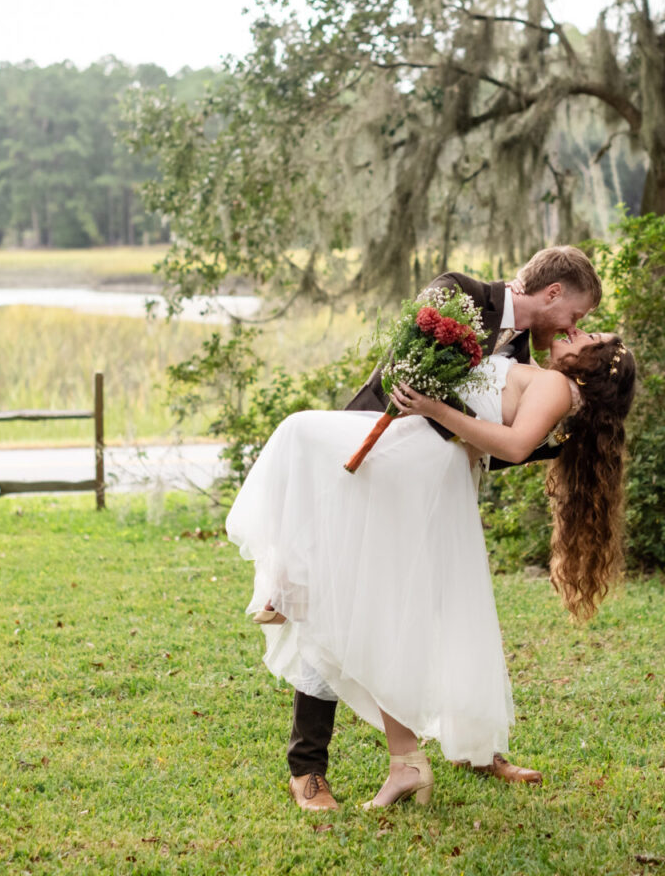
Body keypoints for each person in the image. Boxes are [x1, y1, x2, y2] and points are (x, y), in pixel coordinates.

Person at [224, 248, 625, 810]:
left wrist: (556, 436)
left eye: (581, 331)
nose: (573, 328)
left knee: (411, 613)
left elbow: (502, 440)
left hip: (430, 485)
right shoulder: (458, 295)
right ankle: (308, 766)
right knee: (342, 599)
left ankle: (468, 748)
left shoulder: (534, 361)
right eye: (575, 317)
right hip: (377, 454)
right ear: (553, 294)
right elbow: (400, 375)